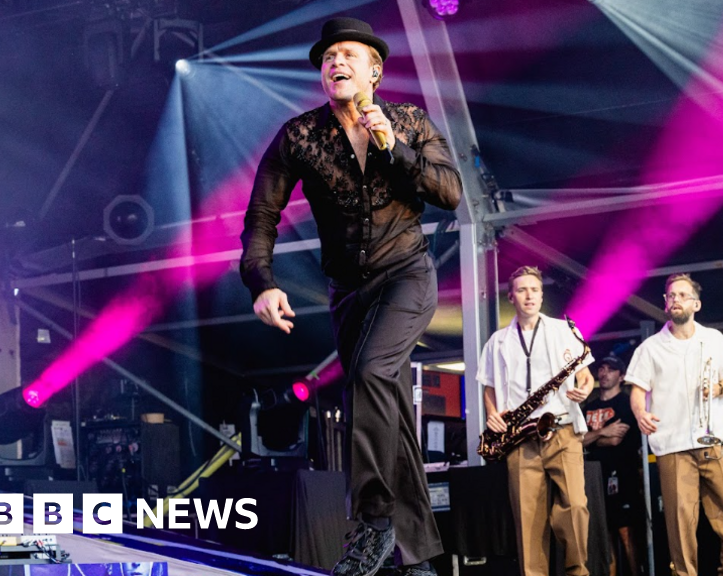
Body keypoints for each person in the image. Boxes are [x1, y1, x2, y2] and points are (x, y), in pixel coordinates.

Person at [240, 16, 462, 576]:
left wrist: (395, 147)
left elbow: (450, 193)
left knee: (367, 375)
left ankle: (373, 523)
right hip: (349, 293)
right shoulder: (299, 136)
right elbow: (261, 214)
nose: (335, 63)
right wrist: (262, 282)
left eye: (348, 55)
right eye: (328, 57)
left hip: (407, 276)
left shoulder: (409, 121)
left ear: (374, 72)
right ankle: (418, 560)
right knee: (388, 409)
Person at [626, 273, 723, 576]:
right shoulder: (650, 348)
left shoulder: (714, 339)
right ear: (665, 304)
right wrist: (640, 413)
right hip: (674, 445)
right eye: (671, 296)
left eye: (682, 295)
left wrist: (718, 388)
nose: (676, 300)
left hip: (715, 441)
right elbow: (637, 390)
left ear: (696, 304)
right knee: (680, 523)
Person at [478, 266, 595, 576]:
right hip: (520, 437)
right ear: (511, 297)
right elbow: (489, 387)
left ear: (542, 295)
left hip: (562, 428)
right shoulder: (497, 341)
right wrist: (492, 413)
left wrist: (585, 389)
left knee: (575, 505)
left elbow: (585, 375)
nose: (529, 295)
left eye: (534, 290)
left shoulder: (562, 330)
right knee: (527, 518)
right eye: (522, 290)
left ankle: (577, 571)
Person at [583, 355, 642, 576]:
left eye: (611, 369)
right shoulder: (589, 407)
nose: (604, 373)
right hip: (594, 475)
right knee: (603, 532)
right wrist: (603, 432)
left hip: (623, 474)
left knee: (626, 531)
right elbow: (576, 440)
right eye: (602, 368)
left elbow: (616, 440)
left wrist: (592, 439)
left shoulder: (626, 403)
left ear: (621, 376)